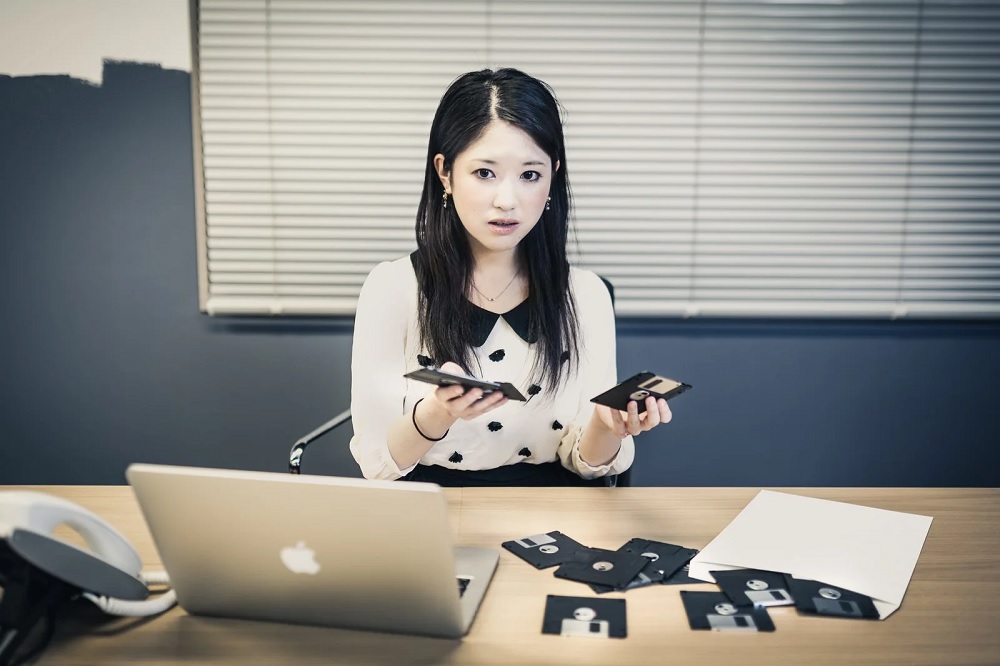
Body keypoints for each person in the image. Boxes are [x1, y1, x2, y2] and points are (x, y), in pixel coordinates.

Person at [349, 68, 672, 487]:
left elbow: (586, 461)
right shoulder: (393, 288)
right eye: (485, 173)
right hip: (432, 508)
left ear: (552, 176)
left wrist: (608, 426)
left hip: (556, 512)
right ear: (445, 172)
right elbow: (377, 465)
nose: (508, 200)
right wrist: (440, 411)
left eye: (530, 175)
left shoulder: (585, 294)